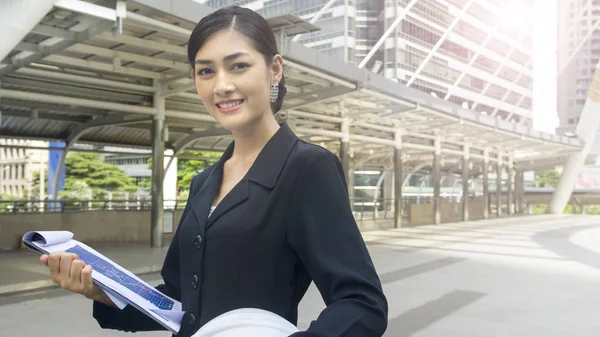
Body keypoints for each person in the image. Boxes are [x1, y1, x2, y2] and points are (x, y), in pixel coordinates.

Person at [40, 6, 388, 337]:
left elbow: (362, 303)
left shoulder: (306, 167)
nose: (221, 85)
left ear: (274, 70)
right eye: (206, 71)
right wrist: (103, 291)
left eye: (237, 66)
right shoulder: (203, 182)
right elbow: (178, 301)